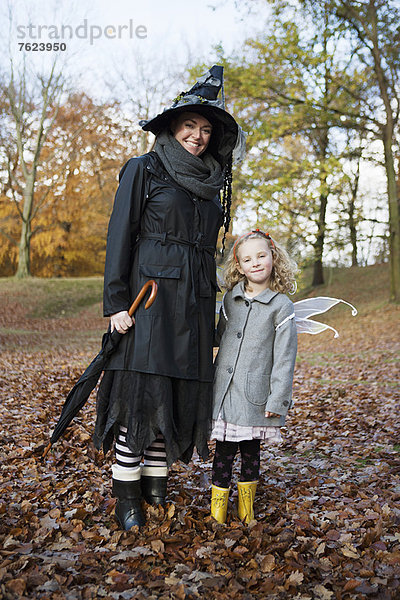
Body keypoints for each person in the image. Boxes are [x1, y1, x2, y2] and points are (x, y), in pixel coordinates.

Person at [92, 65, 244, 530]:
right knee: (139, 397)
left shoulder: (211, 184)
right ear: (172, 128)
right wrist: (117, 303)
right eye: (189, 126)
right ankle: (127, 495)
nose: (198, 136)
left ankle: (156, 481)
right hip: (150, 300)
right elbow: (121, 236)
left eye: (205, 129)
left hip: (194, 303)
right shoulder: (144, 169)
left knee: (173, 394)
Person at [210, 229, 298, 524]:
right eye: (248, 259)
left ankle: (246, 512)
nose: (256, 263)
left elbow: (285, 358)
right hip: (224, 391)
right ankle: (217, 513)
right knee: (223, 453)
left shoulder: (281, 306)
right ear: (239, 266)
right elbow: (219, 338)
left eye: (262, 256)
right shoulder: (229, 300)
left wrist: (278, 399)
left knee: (250, 453)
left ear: (274, 257)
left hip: (254, 395)